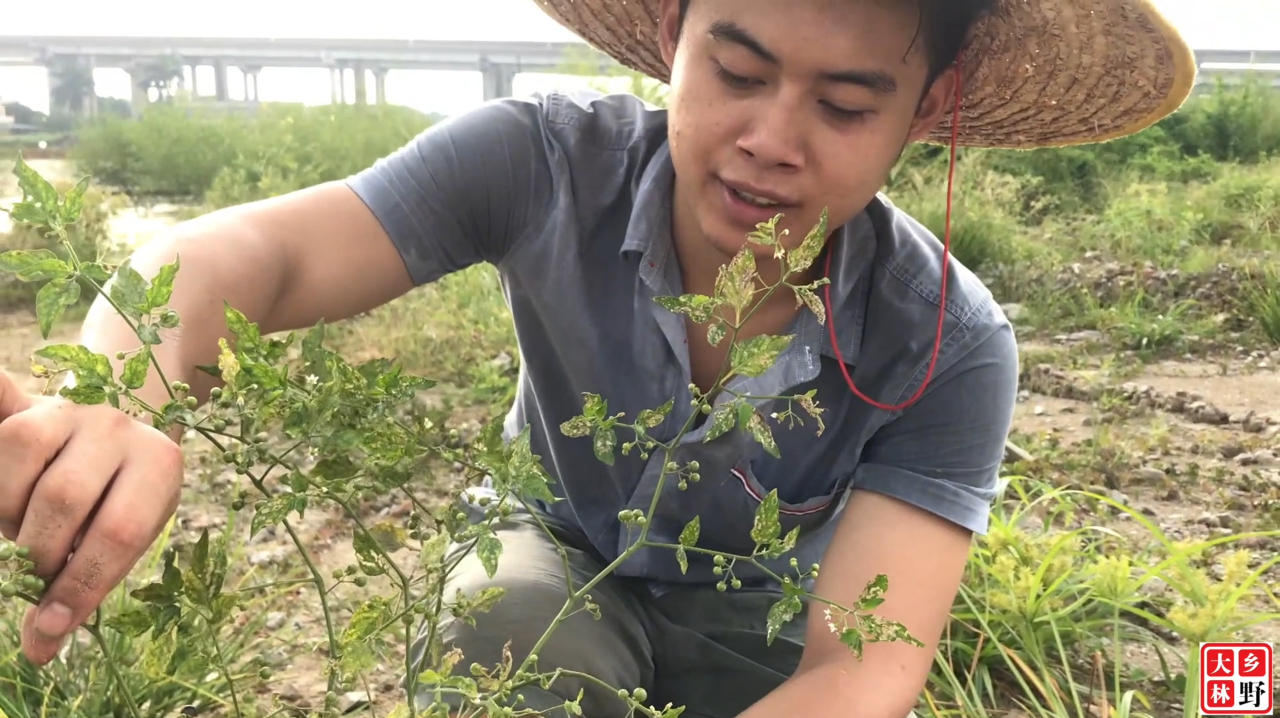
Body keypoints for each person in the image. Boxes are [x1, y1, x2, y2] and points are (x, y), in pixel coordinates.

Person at [0, 0, 1195, 716]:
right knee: (502, 630)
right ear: (670, 36)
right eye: (735, 71)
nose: (768, 140)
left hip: (763, 615)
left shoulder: (949, 337)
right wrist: (121, 397)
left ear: (924, 108)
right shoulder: (538, 164)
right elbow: (241, 255)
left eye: (841, 105)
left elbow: (860, 663)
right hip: (553, 544)